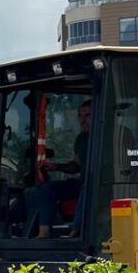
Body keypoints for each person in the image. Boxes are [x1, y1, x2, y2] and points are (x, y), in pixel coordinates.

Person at [29, 99, 92, 237]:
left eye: (87, 116)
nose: (83, 120)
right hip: (82, 184)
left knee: (88, 186)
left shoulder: (113, 135)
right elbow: (76, 166)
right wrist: (55, 166)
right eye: (80, 116)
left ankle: (75, 232)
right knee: (48, 188)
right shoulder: (81, 139)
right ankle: (43, 232)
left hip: (104, 187)